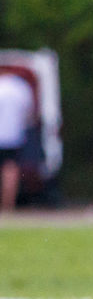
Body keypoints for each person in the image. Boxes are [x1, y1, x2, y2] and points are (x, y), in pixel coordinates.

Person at [0, 72, 35, 212]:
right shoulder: (21, 88)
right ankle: (7, 206)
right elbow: (29, 114)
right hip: (13, 136)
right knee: (10, 171)